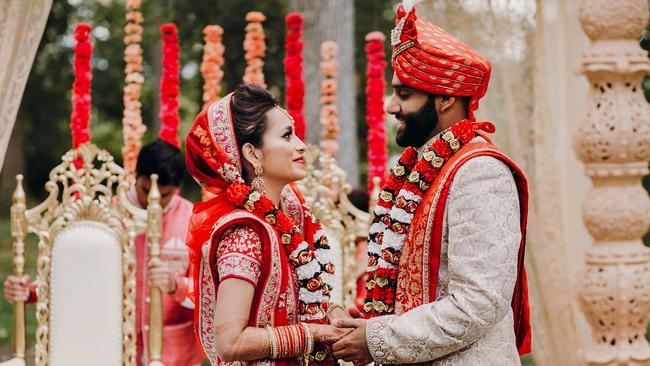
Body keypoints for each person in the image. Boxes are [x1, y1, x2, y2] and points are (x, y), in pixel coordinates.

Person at [331, 3, 531, 365]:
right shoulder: (424, 168)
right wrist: (367, 323)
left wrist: (378, 338)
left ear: (446, 98)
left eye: (404, 94)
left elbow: (479, 301)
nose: (391, 107)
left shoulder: (479, 172)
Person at [184, 83, 350, 365]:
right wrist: (312, 332)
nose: (300, 145)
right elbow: (230, 342)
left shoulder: (289, 215)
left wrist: (332, 313)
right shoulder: (245, 233)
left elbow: (295, 303)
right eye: (287, 136)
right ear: (253, 154)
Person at [4, 138, 204, 366]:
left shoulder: (193, 220)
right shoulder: (106, 214)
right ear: (135, 176)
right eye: (145, 190)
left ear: (176, 188)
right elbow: (75, 280)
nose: (151, 201)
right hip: (112, 349)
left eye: (163, 195)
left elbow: (207, 296)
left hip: (176, 356)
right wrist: (29, 292)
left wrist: (174, 285)